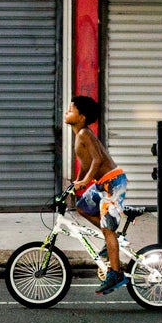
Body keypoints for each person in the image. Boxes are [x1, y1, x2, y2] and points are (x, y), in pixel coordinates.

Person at [65, 95, 128, 295]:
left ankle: (116, 274)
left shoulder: (84, 133)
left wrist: (85, 181)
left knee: (107, 229)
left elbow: (98, 160)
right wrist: (77, 182)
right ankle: (110, 237)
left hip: (113, 183)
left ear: (81, 117)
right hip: (103, 183)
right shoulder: (80, 134)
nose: (67, 112)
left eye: (70, 110)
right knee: (82, 206)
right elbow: (86, 163)